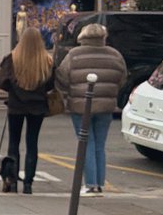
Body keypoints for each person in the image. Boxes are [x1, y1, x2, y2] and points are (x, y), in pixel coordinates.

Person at [54, 21, 126, 195]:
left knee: (86, 143)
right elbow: (122, 78)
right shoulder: (114, 55)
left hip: (81, 105)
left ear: (83, 36)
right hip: (106, 106)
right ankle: (100, 183)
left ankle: (90, 184)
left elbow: (62, 77)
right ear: (103, 37)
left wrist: (71, 90)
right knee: (100, 145)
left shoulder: (74, 55)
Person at [0, 26, 55, 194]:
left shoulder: (12, 58)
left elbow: (1, 82)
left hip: (16, 105)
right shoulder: (47, 61)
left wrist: (14, 89)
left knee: (13, 143)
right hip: (37, 106)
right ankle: (28, 183)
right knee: (32, 143)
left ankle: (13, 181)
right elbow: (51, 83)